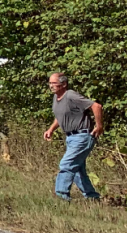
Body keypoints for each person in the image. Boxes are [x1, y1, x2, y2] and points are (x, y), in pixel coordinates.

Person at [44, 72, 103, 200]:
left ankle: (61, 196)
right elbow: (61, 116)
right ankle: (92, 197)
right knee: (77, 170)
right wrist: (51, 129)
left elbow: (96, 106)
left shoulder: (70, 95)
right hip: (70, 137)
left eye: (54, 83)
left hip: (82, 136)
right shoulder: (56, 97)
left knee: (66, 164)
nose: (51, 86)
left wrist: (99, 126)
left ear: (63, 84)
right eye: (50, 83)